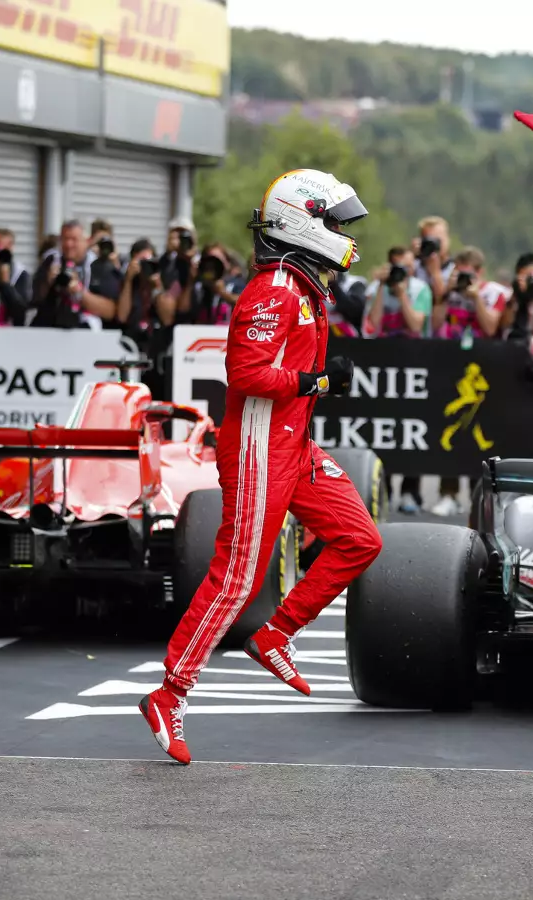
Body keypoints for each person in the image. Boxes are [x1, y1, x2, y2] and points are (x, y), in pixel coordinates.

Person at [138, 168, 384, 764]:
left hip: (292, 446)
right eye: (333, 221)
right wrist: (319, 379)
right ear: (304, 222)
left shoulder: (301, 285)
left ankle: (275, 634)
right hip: (257, 451)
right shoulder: (275, 288)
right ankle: (169, 693)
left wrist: (315, 385)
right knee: (237, 578)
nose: (342, 234)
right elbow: (247, 376)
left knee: (359, 538)